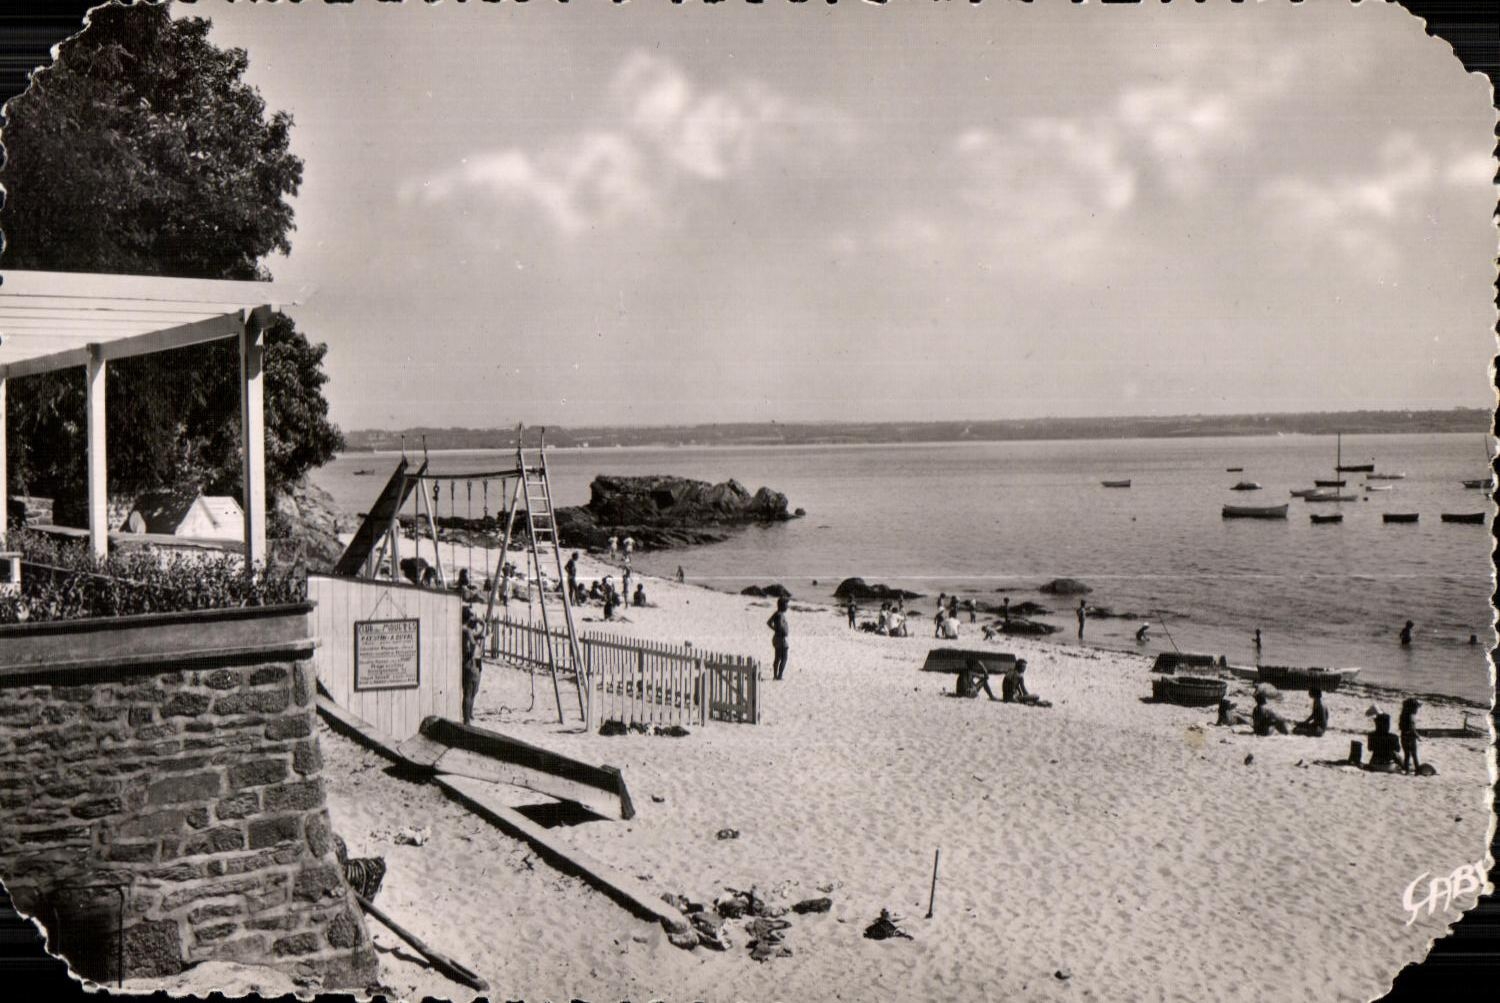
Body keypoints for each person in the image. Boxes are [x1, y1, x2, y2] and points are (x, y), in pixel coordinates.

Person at [460, 606, 485, 725]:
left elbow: (479, 636)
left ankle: (468, 715)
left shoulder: (466, 630)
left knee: (472, 691)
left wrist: (483, 626)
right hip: (470, 662)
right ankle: (466, 719)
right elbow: (473, 643)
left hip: (473, 662)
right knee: (469, 692)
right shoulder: (466, 630)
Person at [767, 596, 790, 681]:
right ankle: (779, 676)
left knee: (777, 657)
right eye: (786, 605)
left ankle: (775, 675)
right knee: (784, 657)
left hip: (776, 638)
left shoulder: (776, 613)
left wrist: (775, 629)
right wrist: (783, 631)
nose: (787, 607)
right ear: (782, 605)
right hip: (781, 639)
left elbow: (769, 622)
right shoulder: (780, 615)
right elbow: (780, 625)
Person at [1398, 697, 1421, 773]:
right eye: (1416, 708)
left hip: (1403, 736)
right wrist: (1417, 736)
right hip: (1411, 737)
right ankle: (1417, 769)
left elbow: (1401, 727)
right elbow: (1412, 729)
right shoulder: (1411, 716)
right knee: (1414, 754)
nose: (1417, 710)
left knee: (1407, 755)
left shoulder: (1403, 715)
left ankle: (1406, 769)